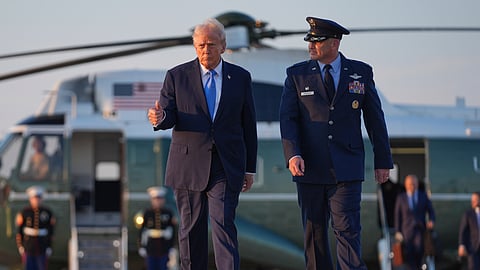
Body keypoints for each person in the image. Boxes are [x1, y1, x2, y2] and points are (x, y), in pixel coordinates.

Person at [279, 16, 393, 270]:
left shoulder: (360, 73)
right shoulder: (296, 75)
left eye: (316, 41)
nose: (310, 45)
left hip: (347, 168)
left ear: (334, 43)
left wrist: (383, 160)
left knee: (348, 230)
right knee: (315, 235)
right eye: (309, 40)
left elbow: (375, 119)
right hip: (309, 169)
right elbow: (288, 119)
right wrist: (292, 154)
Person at [147, 18, 257, 270]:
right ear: (194, 46)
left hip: (225, 165)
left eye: (211, 44)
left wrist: (249, 168)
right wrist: (160, 117)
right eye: (200, 45)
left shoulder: (240, 77)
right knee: (191, 229)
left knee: (224, 225)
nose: (205, 50)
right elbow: (169, 113)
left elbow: (248, 125)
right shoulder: (176, 76)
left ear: (223, 46)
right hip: (188, 165)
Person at [394, 174, 435, 270]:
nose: (412, 186)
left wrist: (432, 220)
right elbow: (397, 215)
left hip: (419, 229)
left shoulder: (423, 196)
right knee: (408, 252)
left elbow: (431, 210)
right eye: (410, 184)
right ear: (406, 185)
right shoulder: (401, 198)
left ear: (417, 184)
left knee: (419, 250)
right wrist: (397, 231)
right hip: (406, 230)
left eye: (414, 184)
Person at [15, 186, 56, 270]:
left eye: (38, 198)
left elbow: (50, 231)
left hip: (42, 246)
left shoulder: (47, 212)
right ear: (30, 199)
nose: (36, 200)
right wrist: (20, 246)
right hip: (28, 245)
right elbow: (19, 231)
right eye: (34, 198)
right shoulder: (25, 212)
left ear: (41, 199)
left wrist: (49, 246)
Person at [138, 186, 178, 270]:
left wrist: (172, 246)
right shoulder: (147, 213)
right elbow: (141, 230)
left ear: (163, 200)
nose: (158, 201)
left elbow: (173, 230)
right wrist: (141, 246)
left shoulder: (168, 213)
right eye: (155, 199)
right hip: (151, 247)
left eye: (160, 199)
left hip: (164, 247)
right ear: (152, 200)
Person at [458, 191, 480, 270]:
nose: (473, 201)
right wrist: (461, 245)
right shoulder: (468, 214)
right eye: (472, 200)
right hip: (473, 248)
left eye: (475, 199)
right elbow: (463, 231)